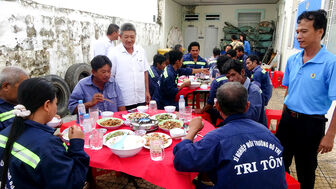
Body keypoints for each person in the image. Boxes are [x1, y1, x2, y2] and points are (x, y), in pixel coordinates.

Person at [173, 82, 286, 189]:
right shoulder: (268, 134)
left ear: (217, 106)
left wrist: (192, 130)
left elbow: (181, 159)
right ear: (247, 106)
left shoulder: (217, 138)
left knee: (188, 183)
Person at [276, 10, 336, 189]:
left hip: (311, 125)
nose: (299, 36)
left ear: (320, 32)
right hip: (287, 120)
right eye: (297, 32)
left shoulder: (330, 63)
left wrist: (330, 135)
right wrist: (284, 113)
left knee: (306, 169)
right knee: (279, 163)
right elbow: (288, 90)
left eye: (304, 31)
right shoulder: (293, 60)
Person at [0, 78, 89, 189]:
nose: (56, 107)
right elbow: (72, 183)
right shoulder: (47, 146)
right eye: (56, 103)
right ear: (47, 105)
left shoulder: (5, 133)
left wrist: (48, 139)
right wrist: (77, 145)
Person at [108, 23, 151, 110]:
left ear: (135, 37)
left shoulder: (141, 51)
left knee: (142, 120)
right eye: (126, 37)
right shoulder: (114, 53)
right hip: (124, 100)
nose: (129, 40)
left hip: (140, 97)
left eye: (132, 37)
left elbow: (145, 72)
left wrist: (147, 91)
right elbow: (111, 77)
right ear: (120, 37)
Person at [222, 59, 267, 126]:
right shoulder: (235, 87)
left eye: (233, 75)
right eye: (228, 77)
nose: (230, 79)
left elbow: (251, 118)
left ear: (242, 72)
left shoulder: (254, 91)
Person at [195, 55, 230, 125]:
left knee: (210, 109)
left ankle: (213, 125)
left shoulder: (217, 81)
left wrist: (201, 110)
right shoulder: (236, 78)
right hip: (237, 111)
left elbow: (210, 104)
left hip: (224, 113)